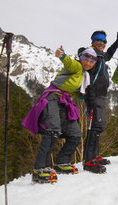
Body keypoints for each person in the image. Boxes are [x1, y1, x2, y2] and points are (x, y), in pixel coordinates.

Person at [22, 46, 97, 183]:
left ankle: (62, 162)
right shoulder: (77, 67)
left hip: (64, 102)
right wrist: (62, 56)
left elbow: (77, 94)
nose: (88, 62)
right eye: (86, 58)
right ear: (81, 58)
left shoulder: (84, 77)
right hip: (52, 97)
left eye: (92, 61)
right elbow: (69, 62)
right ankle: (39, 168)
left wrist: (87, 95)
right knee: (52, 131)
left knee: (75, 134)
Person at [81, 31, 118, 173]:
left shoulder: (100, 56)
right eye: (98, 40)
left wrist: (117, 42)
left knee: (99, 125)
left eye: (104, 41)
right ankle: (88, 160)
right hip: (94, 95)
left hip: (101, 96)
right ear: (92, 41)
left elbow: (110, 53)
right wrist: (91, 97)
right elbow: (87, 76)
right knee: (95, 126)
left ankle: (94, 155)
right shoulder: (91, 55)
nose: (102, 43)